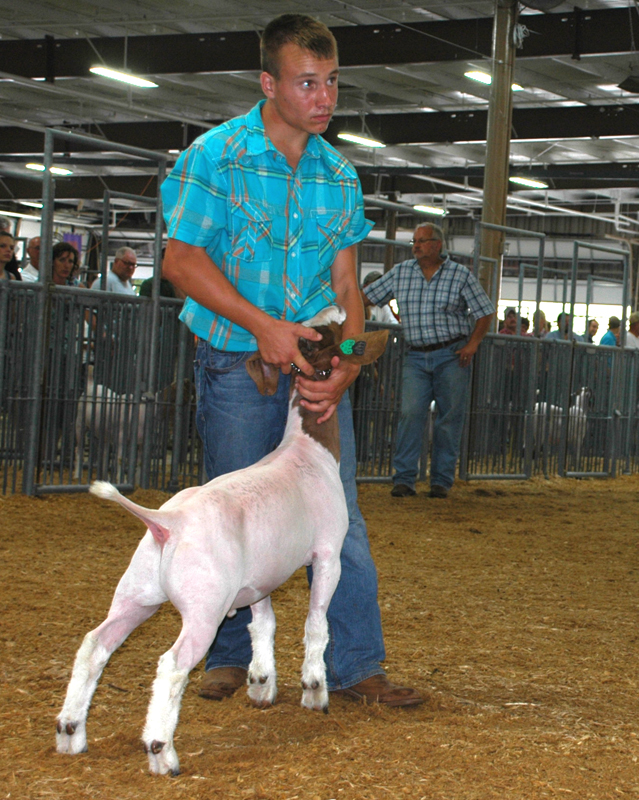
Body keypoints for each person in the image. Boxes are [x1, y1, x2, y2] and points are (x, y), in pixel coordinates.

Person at [160, 13, 422, 708]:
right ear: (268, 82)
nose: (324, 97)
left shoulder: (339, 174)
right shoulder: (218, 156)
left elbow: (346, 287)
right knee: (232, 504)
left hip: (313, 361)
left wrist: (348, 366)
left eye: (332, 81)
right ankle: (228, 654)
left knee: (340, 514)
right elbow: (180, 262)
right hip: (234, 356)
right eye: (308, 82)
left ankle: (357, 666)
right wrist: (262, 327)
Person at [364, 221, 494, 499]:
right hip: (415, 354)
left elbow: (484, 312)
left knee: (449, 418)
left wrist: (472, 344)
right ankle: (404, 479)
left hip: (452, 354)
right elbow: (367, 297)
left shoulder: (460, 275)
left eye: (422, 241)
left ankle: (441, 481)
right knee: (410, 414)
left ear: (437, 244)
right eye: (414, 241)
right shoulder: (401, 272)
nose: (416, 246)